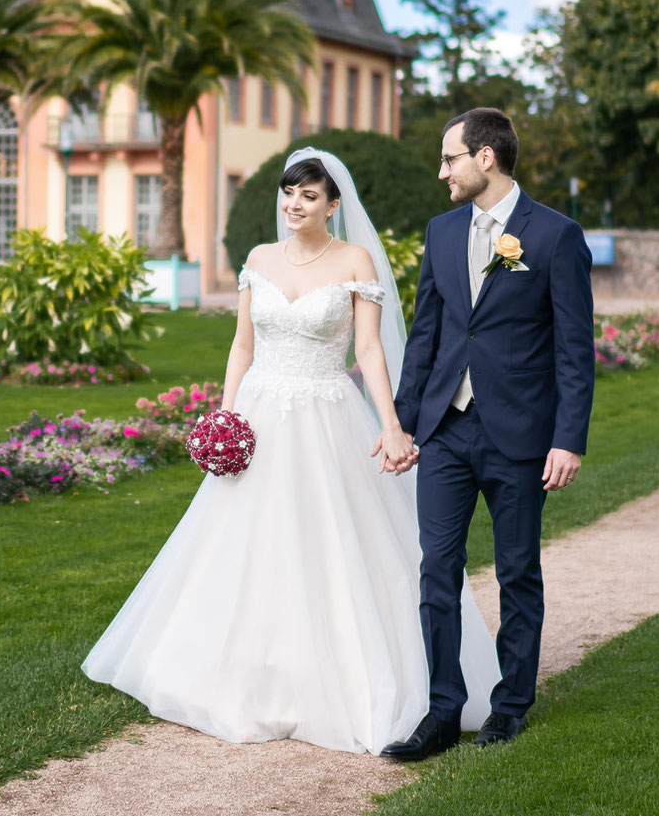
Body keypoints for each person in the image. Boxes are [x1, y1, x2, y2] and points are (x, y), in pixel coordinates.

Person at [83, 150, 499, 754]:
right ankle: (241, 673)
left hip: (328, 415)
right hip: (259, 414)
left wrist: (390, 425)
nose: (294, 205)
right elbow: (242, 345)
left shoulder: (354, 261)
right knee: (245, 543)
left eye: (308, 196)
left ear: (333, 205)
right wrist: (227, 415)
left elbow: (370, 352)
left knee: (327, 542)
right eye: (287, 194)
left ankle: (330, 679)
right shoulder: (258, 260)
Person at [382, 106, 595, 761]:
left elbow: (574, 351)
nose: (440, 170)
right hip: (446, 431)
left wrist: (568, 438)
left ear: (485, 158)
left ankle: (510, 706)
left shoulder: (555, 236)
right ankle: (443, 709)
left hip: (519, 434)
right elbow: (427, 336)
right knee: (436, 570)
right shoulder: (442, 233)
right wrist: (404, 423)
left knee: (516, 571)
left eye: (449, 157)